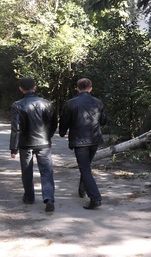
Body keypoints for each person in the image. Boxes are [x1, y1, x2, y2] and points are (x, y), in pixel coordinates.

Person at [9, 77, 57, 212]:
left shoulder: (17, 105)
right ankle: (49, 198)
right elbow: (53, 123)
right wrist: (48, 136)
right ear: (35, 88)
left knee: (26, 171)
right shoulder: (47, 103)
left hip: (25, 144)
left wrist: (14, 147)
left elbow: (16, 128)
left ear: (21, 89)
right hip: (44, 143)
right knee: (47, 171)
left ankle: (29, 197)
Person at [59, 78, 107, 210]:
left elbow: (64, 121)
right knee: (85, 166)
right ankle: (82, 190)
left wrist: (62, 132)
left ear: (77, 88)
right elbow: (103, 121)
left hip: (79, 141)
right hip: (94, 140)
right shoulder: (98, 102)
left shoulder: (70, 103)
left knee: (84, 168)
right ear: (90, 88)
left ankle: (95, 198)